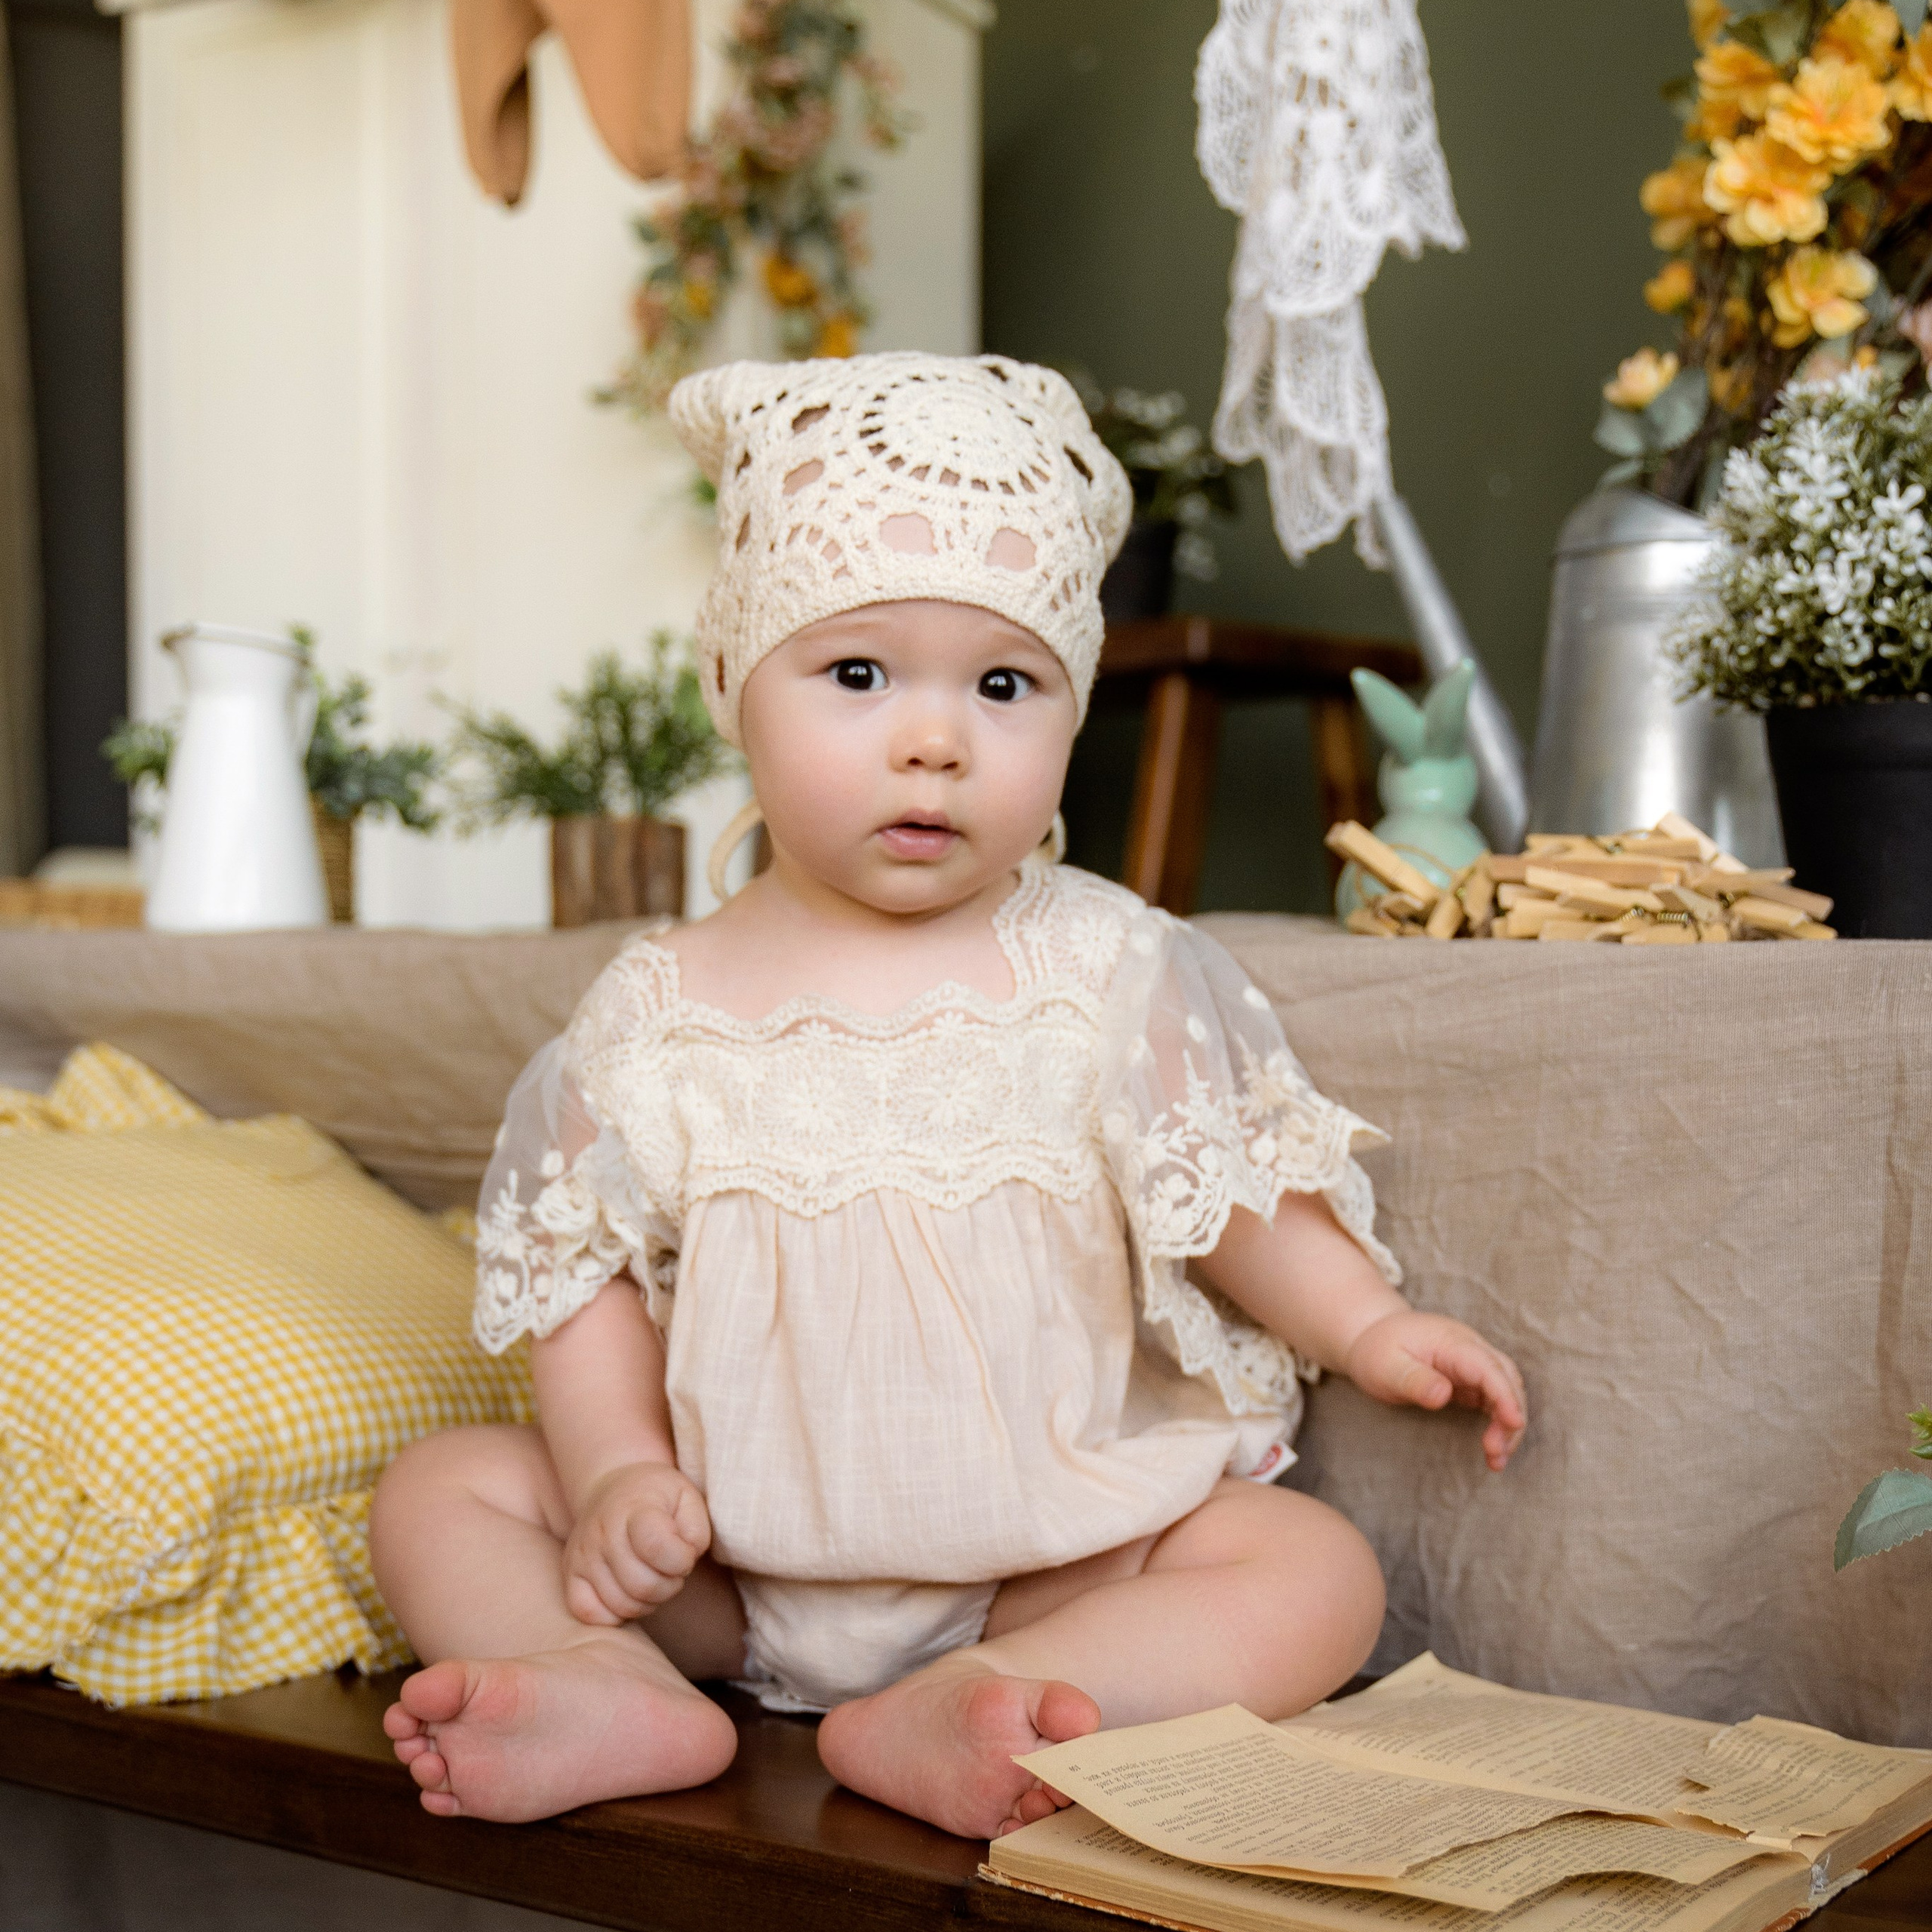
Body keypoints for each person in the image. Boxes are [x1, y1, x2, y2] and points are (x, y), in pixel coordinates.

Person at [368, 352, 1527, 1841]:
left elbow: (1217, 1182)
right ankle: (597, 1678)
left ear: (1066, 714)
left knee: (1311, 1568)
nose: (934, 738)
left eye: (1002, 683)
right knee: (446, 1487)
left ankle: (1000, 1693)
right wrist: (612, 1478)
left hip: (1050, 1551)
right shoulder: (660, 1009)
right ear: (736, 688)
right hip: (730, 1562)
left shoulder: (1102, 962)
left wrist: (1364, 1322)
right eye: (857, 674)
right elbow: (578, 1273)